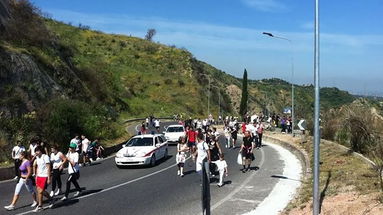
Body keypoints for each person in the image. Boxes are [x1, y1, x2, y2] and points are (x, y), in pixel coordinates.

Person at [33, 146, 54, 212]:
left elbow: (48, 168)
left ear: (41, 151)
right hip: (39, 176)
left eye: (38, 151)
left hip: (45, 176)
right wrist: (36, 176)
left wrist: (49, 178)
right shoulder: (37, 157)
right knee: (40, 191)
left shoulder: (45, 157)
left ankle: (40, 206)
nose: (36, 152)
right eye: (35, 151)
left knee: (40, 191)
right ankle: (51, 199)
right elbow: (38, 167)